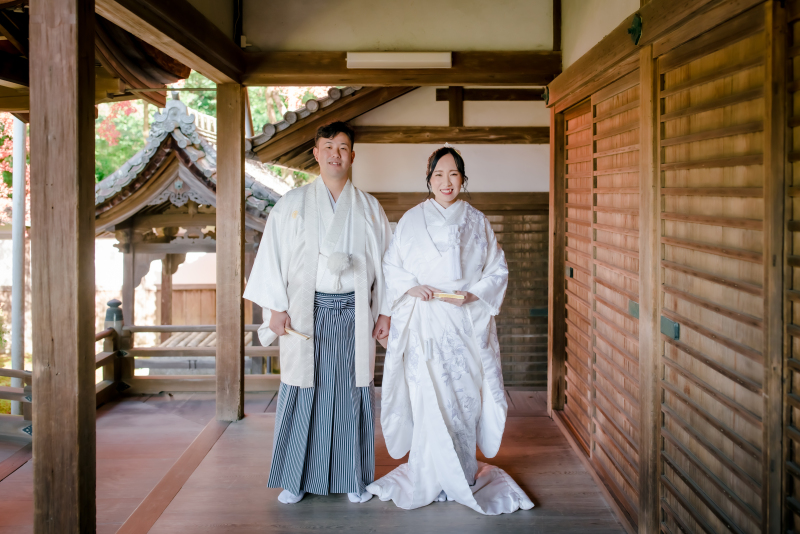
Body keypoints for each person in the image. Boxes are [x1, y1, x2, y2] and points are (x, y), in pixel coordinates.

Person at [367, 145, 534, 515]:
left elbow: (498, 270)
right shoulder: (411, 219)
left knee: (462, 397)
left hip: (464, 321)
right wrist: (411, 287)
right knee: (428, 396)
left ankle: (462, 471)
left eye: (453, 175)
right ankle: (431, 473)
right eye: (439, 175)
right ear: (429, 179)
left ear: (463, 179)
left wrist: (473, 293)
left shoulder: (478, 221)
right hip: (424, 319)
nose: (446, 182)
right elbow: (392, 264)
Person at [244, 121, 392, 505]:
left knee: (350, 392)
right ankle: (296, 477)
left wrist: (386, 313)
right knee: (302, 389)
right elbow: (271, 259)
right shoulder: (291, 204)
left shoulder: (369, 208)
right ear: (315, 153)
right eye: (328, 146)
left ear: (352, 155)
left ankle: (353, 478)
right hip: (304, 314)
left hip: (356, 313)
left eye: (342, 147)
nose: (335, 154)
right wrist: (274, 307)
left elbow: (389, 265)